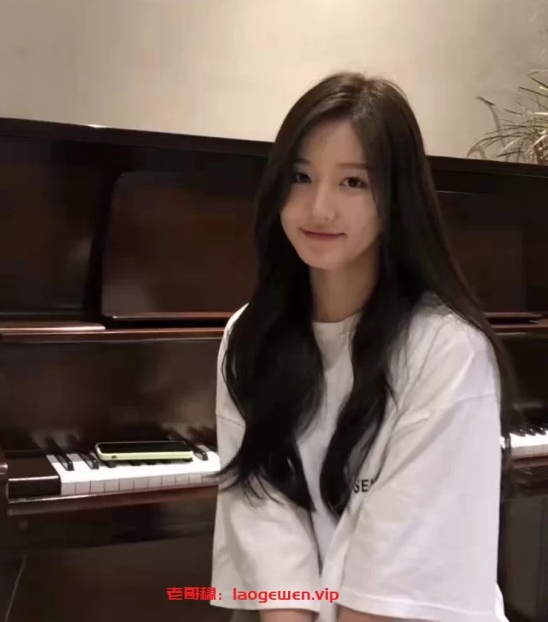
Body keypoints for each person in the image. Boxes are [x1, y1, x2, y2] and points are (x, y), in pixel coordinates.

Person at [208, 71, 518, 622]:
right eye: (301, 177)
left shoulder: (447, 349)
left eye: (353, 182)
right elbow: (263, 516)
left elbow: (401, 575)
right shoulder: (249, 335)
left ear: (395, 198)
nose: (319, 208)